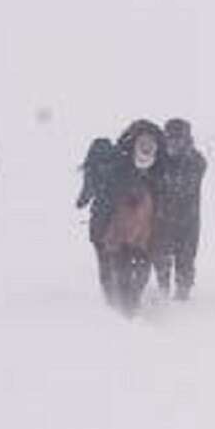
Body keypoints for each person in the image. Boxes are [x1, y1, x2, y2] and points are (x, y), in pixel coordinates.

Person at [100, 120, 165, 314]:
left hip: (144, 237)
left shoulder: (158, 171)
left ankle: (129, 308)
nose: (146, 150)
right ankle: (122, 311)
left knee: (140, 275)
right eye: (143, 146)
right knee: (122, 274)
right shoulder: (121, 167)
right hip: (121, 237)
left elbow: (162, 204)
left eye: (150, 147)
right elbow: (108, 204)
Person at [152, 118, 207, 300]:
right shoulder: (158, 159)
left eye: (178, 138)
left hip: (187, 220)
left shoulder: (196, 161)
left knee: (185, 260)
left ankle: (183, 297)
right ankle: (163, 294)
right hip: (161, 219)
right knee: (161, 259)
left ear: (186, 138)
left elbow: (184, 186)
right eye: (170, 138)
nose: (173, 142)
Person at [75, 137, 120, 301]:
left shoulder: (93, 168)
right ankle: (124, 291)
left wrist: (80, 202)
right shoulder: (120, 166)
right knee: (121, 257)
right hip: (120, 218)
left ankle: (109, 295)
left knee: (104, 260)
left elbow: (85, 197)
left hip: (100, 218)